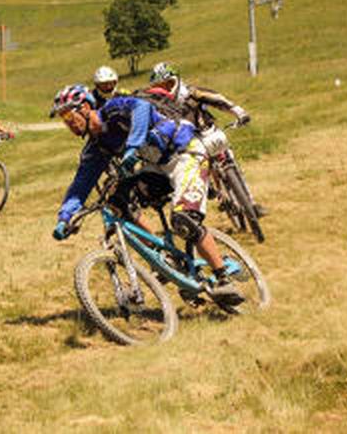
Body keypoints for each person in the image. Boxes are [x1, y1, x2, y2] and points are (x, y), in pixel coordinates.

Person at [50, 84, 244, 305]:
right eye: (62, 119)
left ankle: (222, 278)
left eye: (68, 114)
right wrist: (65, 217)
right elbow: (81, 184)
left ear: (85, 107)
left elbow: (141, 108)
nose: (67, 122)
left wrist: (133, 146)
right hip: (156, 167)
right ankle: (163, 257)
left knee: (183, 219)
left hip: (186, 152)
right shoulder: (96, 147)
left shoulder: (113, 110)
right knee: (117, 201)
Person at [148, 62, 265, 216]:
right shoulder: (158, 105)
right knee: (195, 169)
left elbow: (217, 99)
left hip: (208, 132)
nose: (167, 88)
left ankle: (251, 202)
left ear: (176, 80)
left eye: (169, 83)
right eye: (162, 86)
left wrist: (238, 111)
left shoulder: (191, 93)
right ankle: (217, 194)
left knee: (230, 160)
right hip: (188, 143)